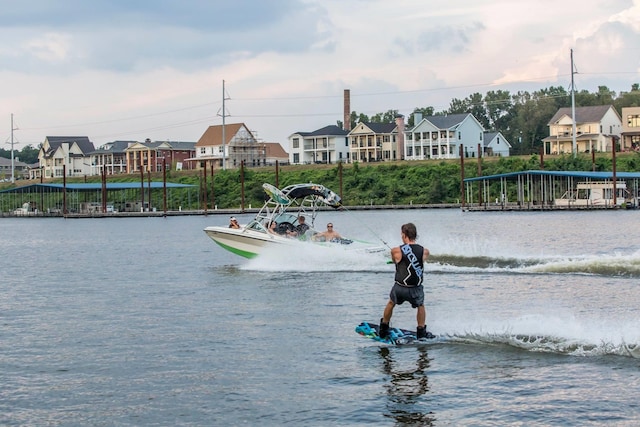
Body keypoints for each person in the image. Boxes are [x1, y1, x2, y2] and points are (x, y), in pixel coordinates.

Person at [379, 223, 430, 340]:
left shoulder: (396, 251)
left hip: (400, 288)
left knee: (391, 303)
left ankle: (384, 327)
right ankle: (421, 331)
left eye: (402, 233)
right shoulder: (425, 251)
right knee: (420, 306)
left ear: (404, 234)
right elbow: (420, 260)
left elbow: (395, 260)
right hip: (415, 289)